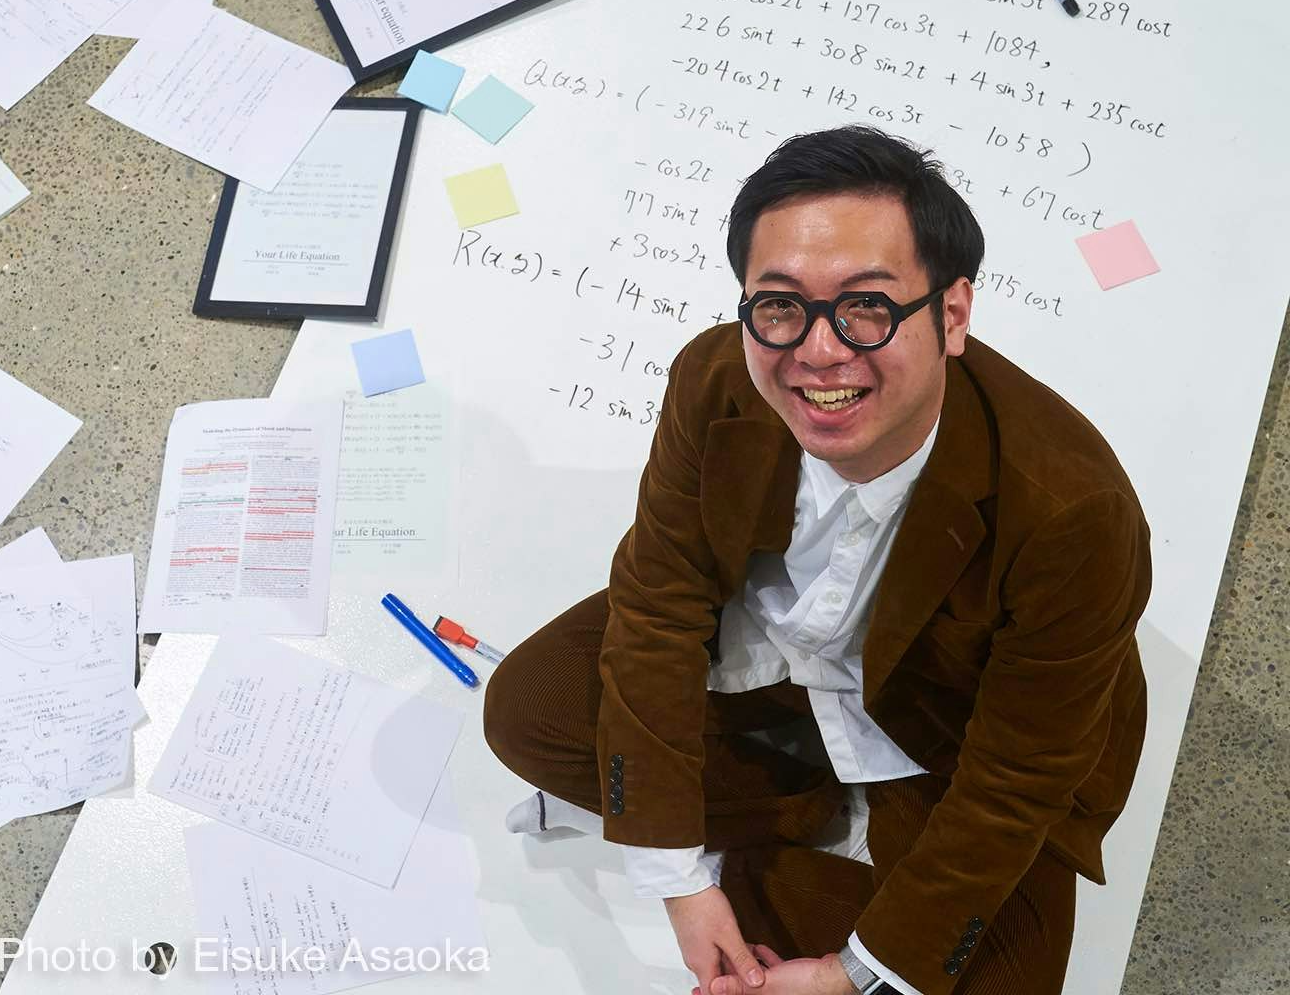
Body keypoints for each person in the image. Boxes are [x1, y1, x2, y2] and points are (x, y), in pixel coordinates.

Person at [484, 125, 1151, 995]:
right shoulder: (714, 379)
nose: (820, 351)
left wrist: (857, 971)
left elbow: (1017, 775)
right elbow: (657, 603)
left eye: (868, 304)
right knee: (528, 711)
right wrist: (679, 880)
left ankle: (793, 829)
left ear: (952, 315)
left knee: (994, 977)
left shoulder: (1074, 512)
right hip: (772, 654)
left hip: (940, 723)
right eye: (780, 305)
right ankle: (802, 805)